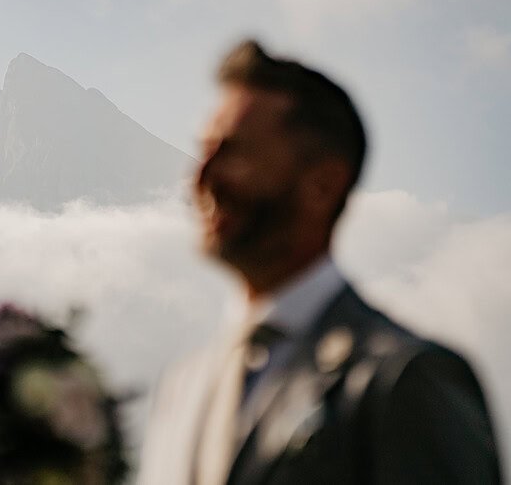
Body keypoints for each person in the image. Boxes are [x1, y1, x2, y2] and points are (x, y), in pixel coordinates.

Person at [136, 40, 502, 484]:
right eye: (205, 148)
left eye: (233, 152)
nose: (201, 177)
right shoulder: (180, 387)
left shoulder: (405, 379)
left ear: (323, 185)